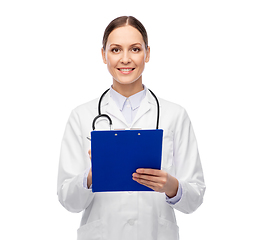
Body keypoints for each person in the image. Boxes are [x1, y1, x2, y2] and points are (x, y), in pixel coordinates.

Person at [57, 16, 205, 240]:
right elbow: (68, 200)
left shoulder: (175, 115)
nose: (125, 59)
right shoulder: (81, 116)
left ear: (147, 53)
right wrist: (90, 176)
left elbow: (194, 197)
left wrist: (171, 186)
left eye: (134, 49)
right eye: (116, 50)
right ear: (103, 55)